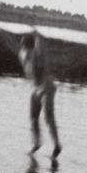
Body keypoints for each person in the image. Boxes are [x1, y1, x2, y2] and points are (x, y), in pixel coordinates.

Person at [17, 30, 62, 158]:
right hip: (37, 89)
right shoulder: (23, 54)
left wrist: (37, 35)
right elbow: (11, 42)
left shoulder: (36, 54)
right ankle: (37, 143)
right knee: (33, 118)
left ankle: (57, 145)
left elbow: (40, 48)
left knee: (48, 117)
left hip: (47, 87)